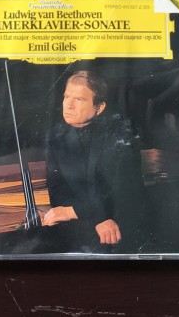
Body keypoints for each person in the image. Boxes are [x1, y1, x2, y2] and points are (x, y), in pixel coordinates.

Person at [42, 71, 144, 252]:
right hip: (85, 221)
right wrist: (94, 218)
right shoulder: (56, 136)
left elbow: (120, 192)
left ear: (99, 107)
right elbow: (56, 191)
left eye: (79, 99)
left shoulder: (120, 132)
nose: (69, 105)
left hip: (120, 219)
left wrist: (74, 212)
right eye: (67, 97)